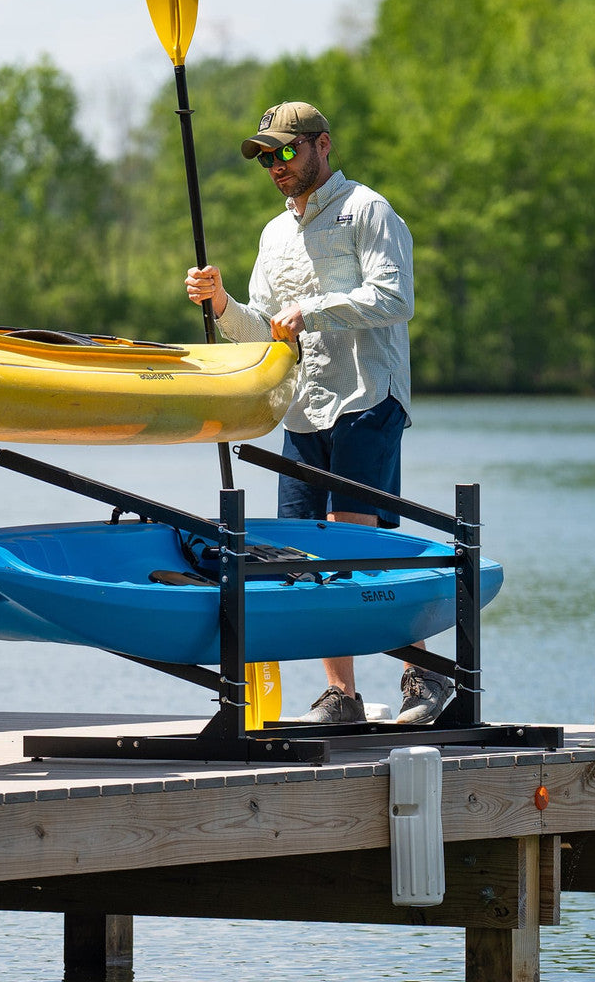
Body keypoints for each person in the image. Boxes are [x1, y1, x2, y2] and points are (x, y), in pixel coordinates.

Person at [185, 100, 453, 725]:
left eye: (286, 150)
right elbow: (262, 332)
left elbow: (395, 297)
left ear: (321, 145)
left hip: (367, 400)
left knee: (352, 544)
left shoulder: (369, 210)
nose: (275, 165)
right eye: (265, 156)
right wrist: (221, 303)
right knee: (304, 556)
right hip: (304, 411)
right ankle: (344, 696)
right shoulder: (273, 235)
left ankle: (427, 678)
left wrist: (317, 309)